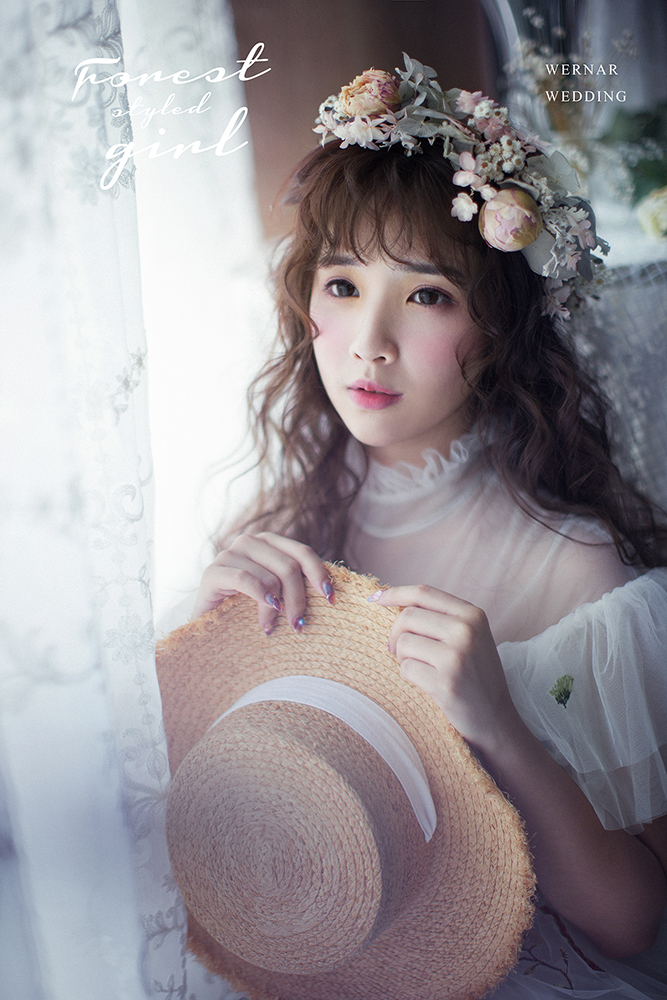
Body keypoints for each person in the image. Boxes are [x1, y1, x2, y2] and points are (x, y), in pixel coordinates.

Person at [189, 57, 667, 997]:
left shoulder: (578, 569)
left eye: (425, 295)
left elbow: (629, 924)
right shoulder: (272, 532)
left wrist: (499, 727)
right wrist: (207, 667)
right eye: (340, 285)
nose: (369, 342)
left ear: (498, 329)